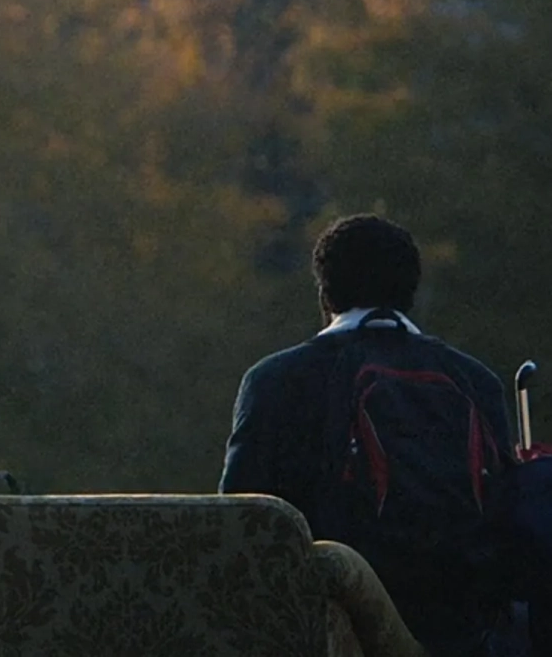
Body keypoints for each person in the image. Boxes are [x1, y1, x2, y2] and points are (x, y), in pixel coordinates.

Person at [220, 214, 514, 657]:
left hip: (327, 633)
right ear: (410, 293)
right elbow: (507, 519)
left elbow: (239, 525)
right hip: (464, 633)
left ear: (324, 293)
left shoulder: (277, 380)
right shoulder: (477, 382)